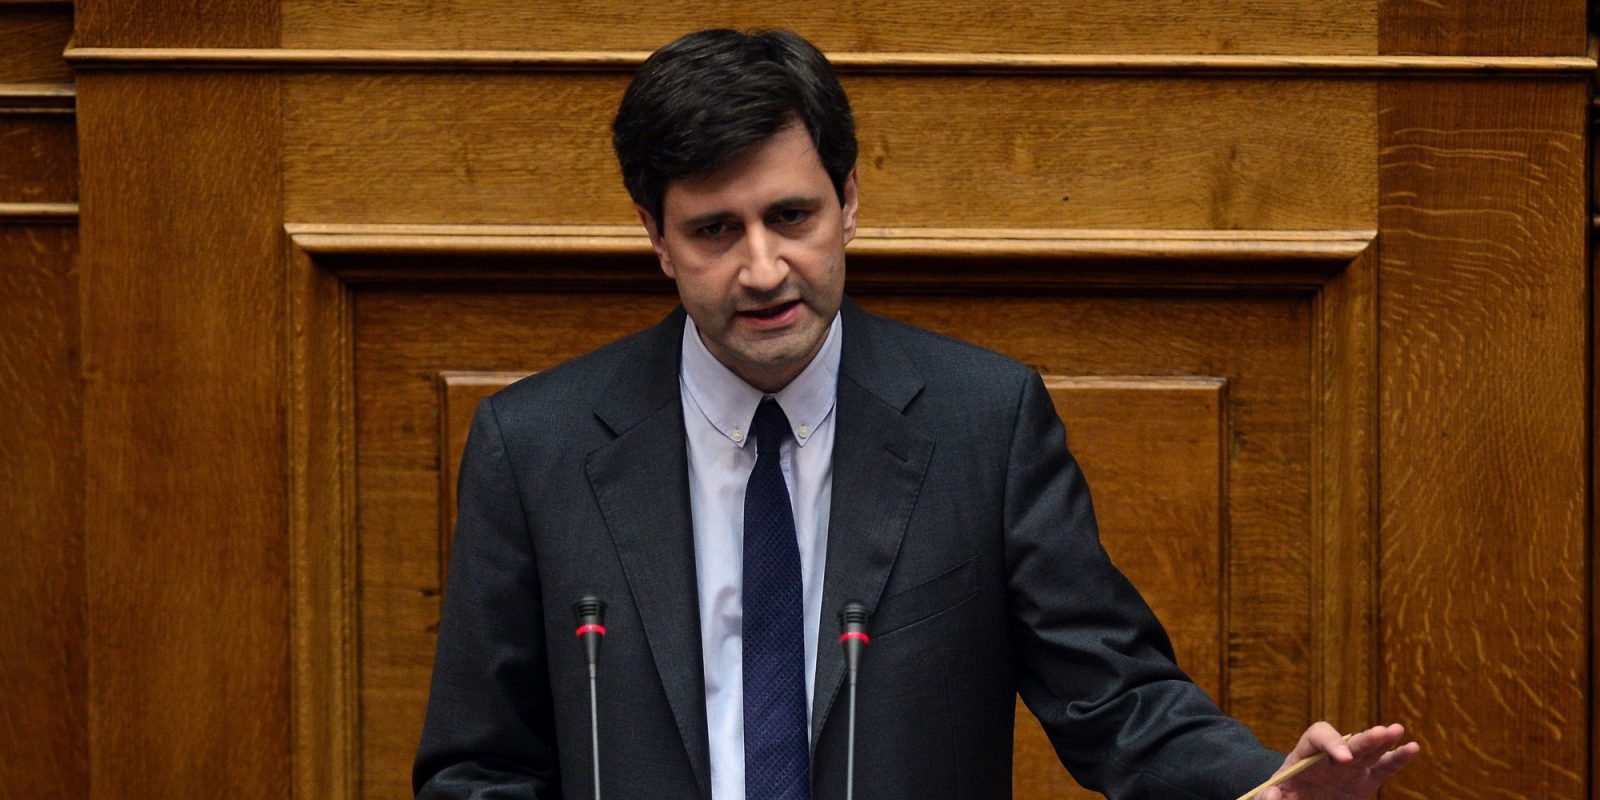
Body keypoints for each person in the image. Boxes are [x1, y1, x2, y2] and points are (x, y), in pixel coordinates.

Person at [413, 28, 1418, 800]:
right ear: (656, 237)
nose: (762, 268)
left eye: (791, 216)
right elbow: (479, 766)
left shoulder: (983, 425)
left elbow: (1114, 696)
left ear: (848, 200)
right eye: (715, 230)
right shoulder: (534, 448)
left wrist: (1258, 782)